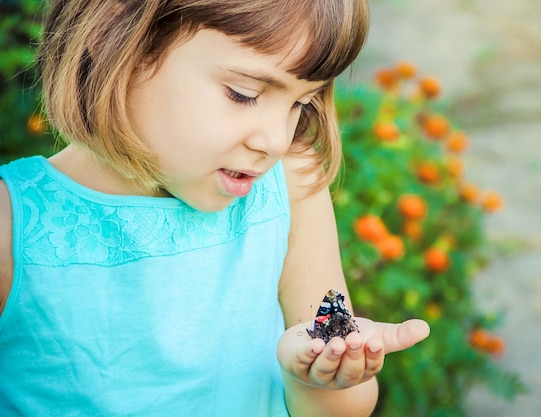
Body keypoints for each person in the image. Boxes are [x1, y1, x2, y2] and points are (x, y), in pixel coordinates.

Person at [0, 0, 430, 415]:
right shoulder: (12, 226)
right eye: (243, 94)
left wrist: (320, 376)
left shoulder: (291, 185)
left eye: (300, 104)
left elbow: (341, 401)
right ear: (114, 30)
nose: (276, 141)